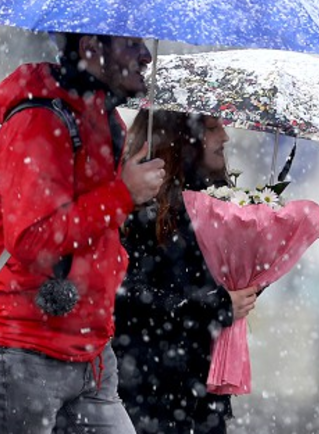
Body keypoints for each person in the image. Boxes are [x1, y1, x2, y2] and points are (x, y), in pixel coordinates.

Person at [0, 33, 167, 433]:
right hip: (20, 353)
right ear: (91, 46)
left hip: (90, 355)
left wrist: (129, 200)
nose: (145, 55)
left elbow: (91, 230)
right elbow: (32, 240)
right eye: (130, 45)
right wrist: (122, 194)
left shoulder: (103, 122)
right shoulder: (38, 121)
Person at [115, 110, 260, 434]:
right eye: (212, 128)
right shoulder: (138, 208)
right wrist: (216, 306)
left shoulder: (218, 202)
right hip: (147, 389)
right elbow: (125, 294)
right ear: (182, 138)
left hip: (202, 390)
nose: (224, 137)